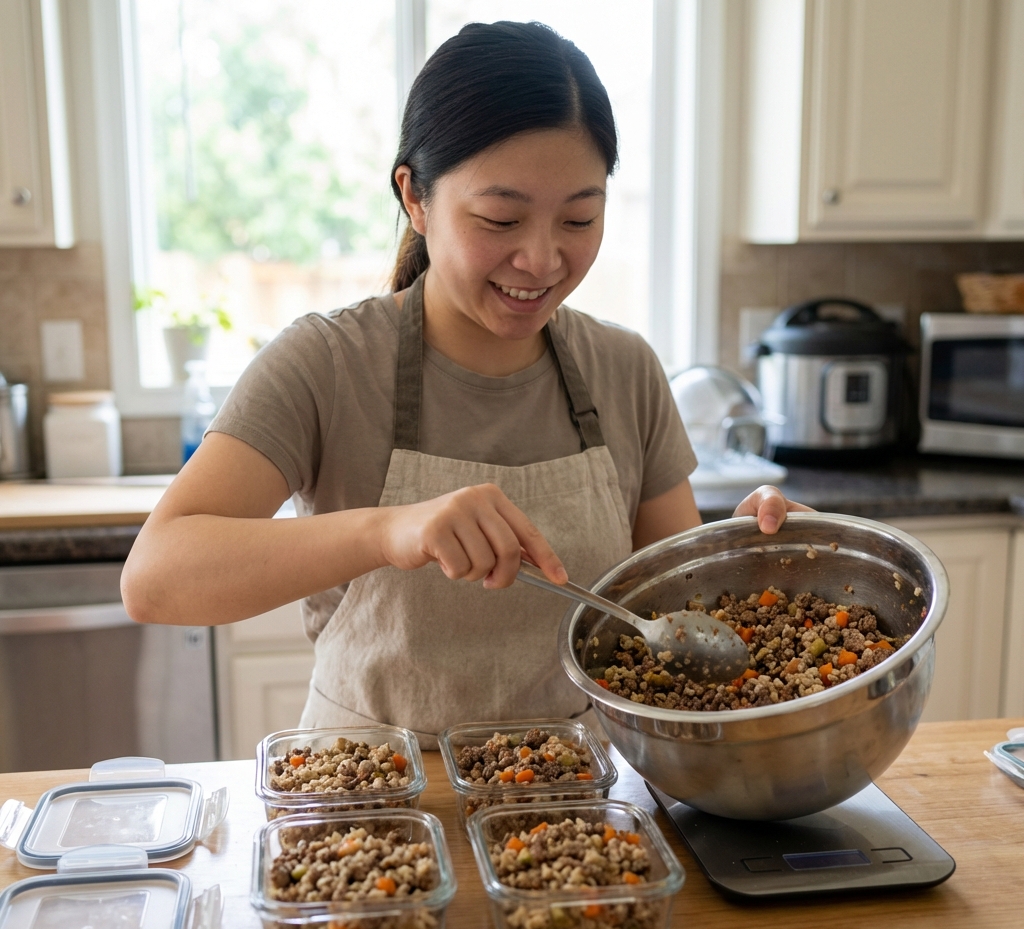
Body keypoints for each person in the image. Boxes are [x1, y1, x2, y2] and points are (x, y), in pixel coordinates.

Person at [122, 21, 810, 747]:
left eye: (580, 217)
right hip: (370, 812)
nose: (542, 260)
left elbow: (677, 628)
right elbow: (157, 578)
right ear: (415, 198)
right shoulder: (326, 363)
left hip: (576, 812)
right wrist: (388, 529)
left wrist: (759, 566)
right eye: (500, 218)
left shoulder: (625, 370)